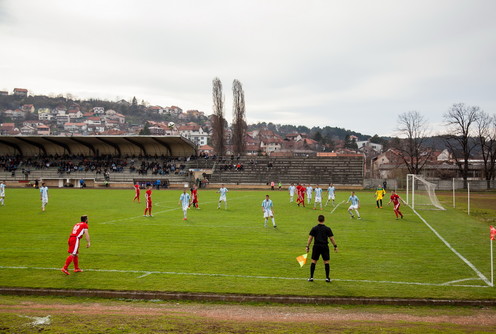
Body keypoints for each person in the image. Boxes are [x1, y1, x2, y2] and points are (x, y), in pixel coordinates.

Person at [305, 215, 338, 282]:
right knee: (326, 262)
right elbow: (331, 238)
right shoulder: (327, 229)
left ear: (318, 220)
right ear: (324, 220)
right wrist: (335, 246)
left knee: (314, 261)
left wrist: (307, 246)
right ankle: (327, 278)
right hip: (324, 246)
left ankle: (311, 277)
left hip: (316, 246)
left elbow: (310, 238)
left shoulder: (314, 228)